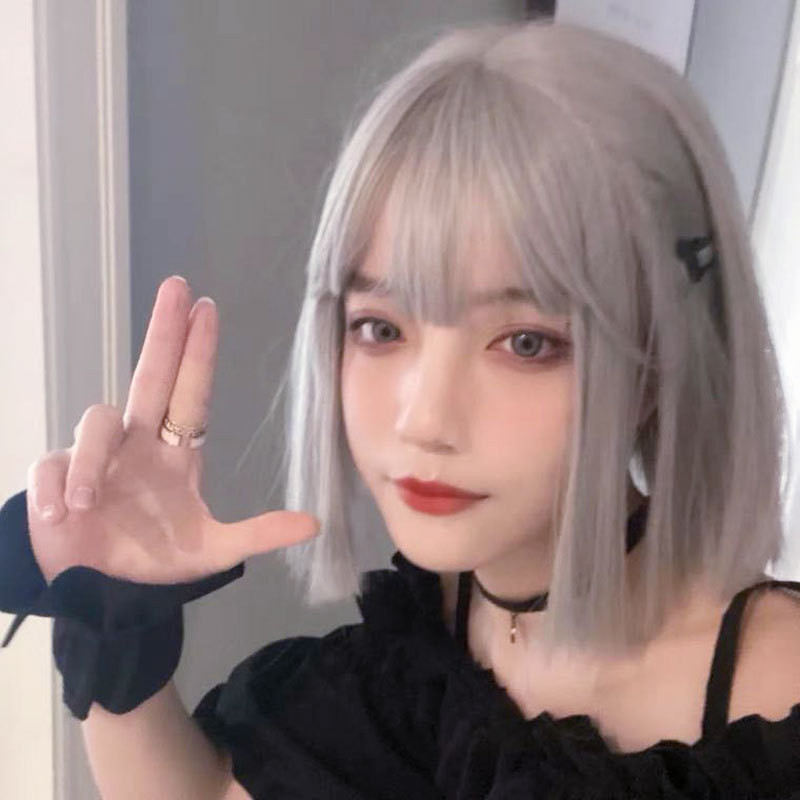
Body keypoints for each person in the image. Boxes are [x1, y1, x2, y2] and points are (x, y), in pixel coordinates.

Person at [2, 17, 800, 799]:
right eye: (381, 328)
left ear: (657, 363)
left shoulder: (776, 693)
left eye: (526, 342)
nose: (424, 420)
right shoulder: (416, 653)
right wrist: (118, 610)